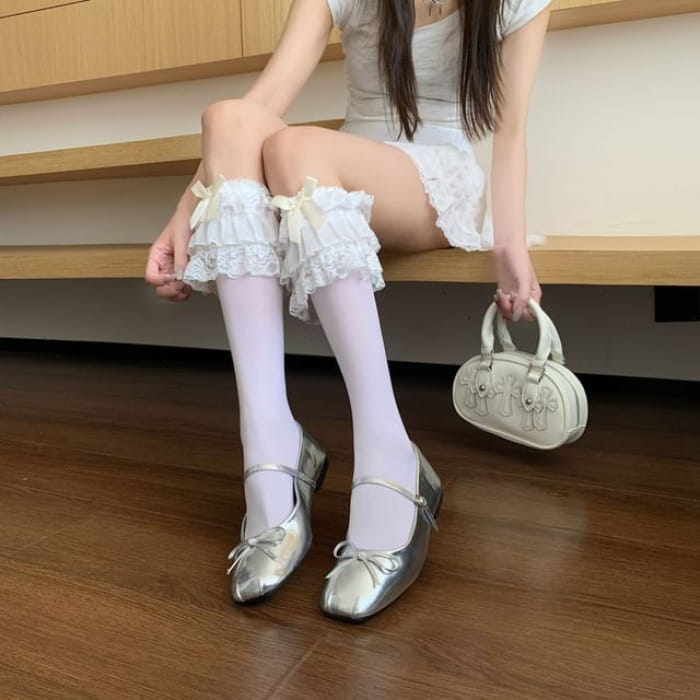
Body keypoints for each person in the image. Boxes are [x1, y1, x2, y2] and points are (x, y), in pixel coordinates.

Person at [145, 0, 550, 623]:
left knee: (295, 151)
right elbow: (265, 100)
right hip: (337, 165)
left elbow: (512, 130)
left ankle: (391, 457)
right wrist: (184, 215)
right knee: (230, 118)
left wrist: (510, 246)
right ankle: (270, 445)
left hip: (432, 178)